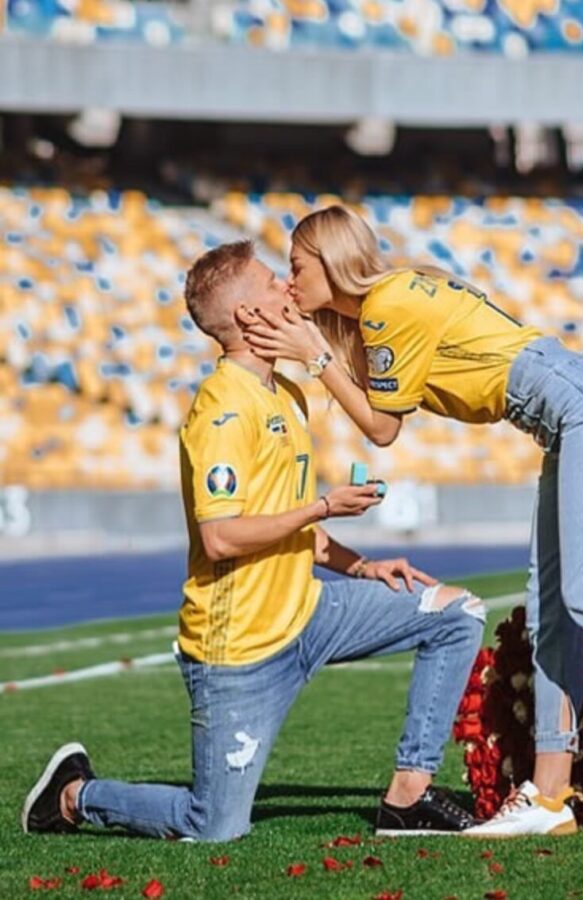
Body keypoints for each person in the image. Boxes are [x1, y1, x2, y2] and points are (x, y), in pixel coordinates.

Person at [241, 206, 583, 843]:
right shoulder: (390, 300)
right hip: (572, 411)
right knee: (552, 606)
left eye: (297, 265)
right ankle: (550, 796)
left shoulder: (388, 303)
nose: (290, 276)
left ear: (331, 261)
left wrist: (312, 356)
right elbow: (374, 392)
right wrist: (305, 340)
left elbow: (381, 428)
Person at [21, 241, 486, 842]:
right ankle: (74, 795)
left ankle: (408, 796)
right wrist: (322, 505)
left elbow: (296, 530)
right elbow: (220, 538)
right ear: (247, 316)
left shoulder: (286, 394)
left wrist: (362, 565)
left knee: (456, 613)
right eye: (273, 282)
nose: (287, 288)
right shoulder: (220, 409)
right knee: (215, 826)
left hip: (312, 611)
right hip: (238, 650)